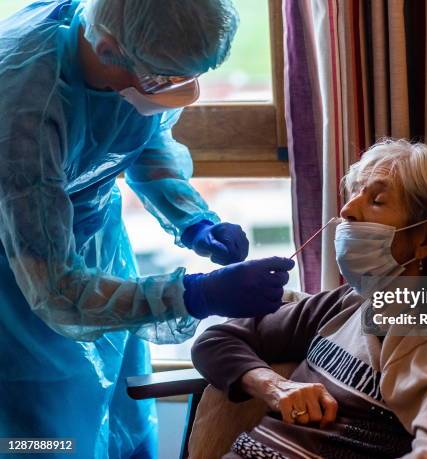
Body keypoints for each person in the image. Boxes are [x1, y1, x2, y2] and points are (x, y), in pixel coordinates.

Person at [0, 1, 294, 458]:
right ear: (107, 48)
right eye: (162, 77)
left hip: (94, 238)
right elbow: (57, 290)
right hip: (16, 284)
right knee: (45, 437)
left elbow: (144, 133)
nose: (174, 91)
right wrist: (196, 295)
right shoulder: (22, 109)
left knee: (122, 416)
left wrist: (192, 219)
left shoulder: (132, 33)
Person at [192, 140, 427, 458]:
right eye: (354, 192)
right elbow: (215, 341)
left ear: (424, 239)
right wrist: (274, 386)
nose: (346, 210)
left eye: (377, 200)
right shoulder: (344, 303)